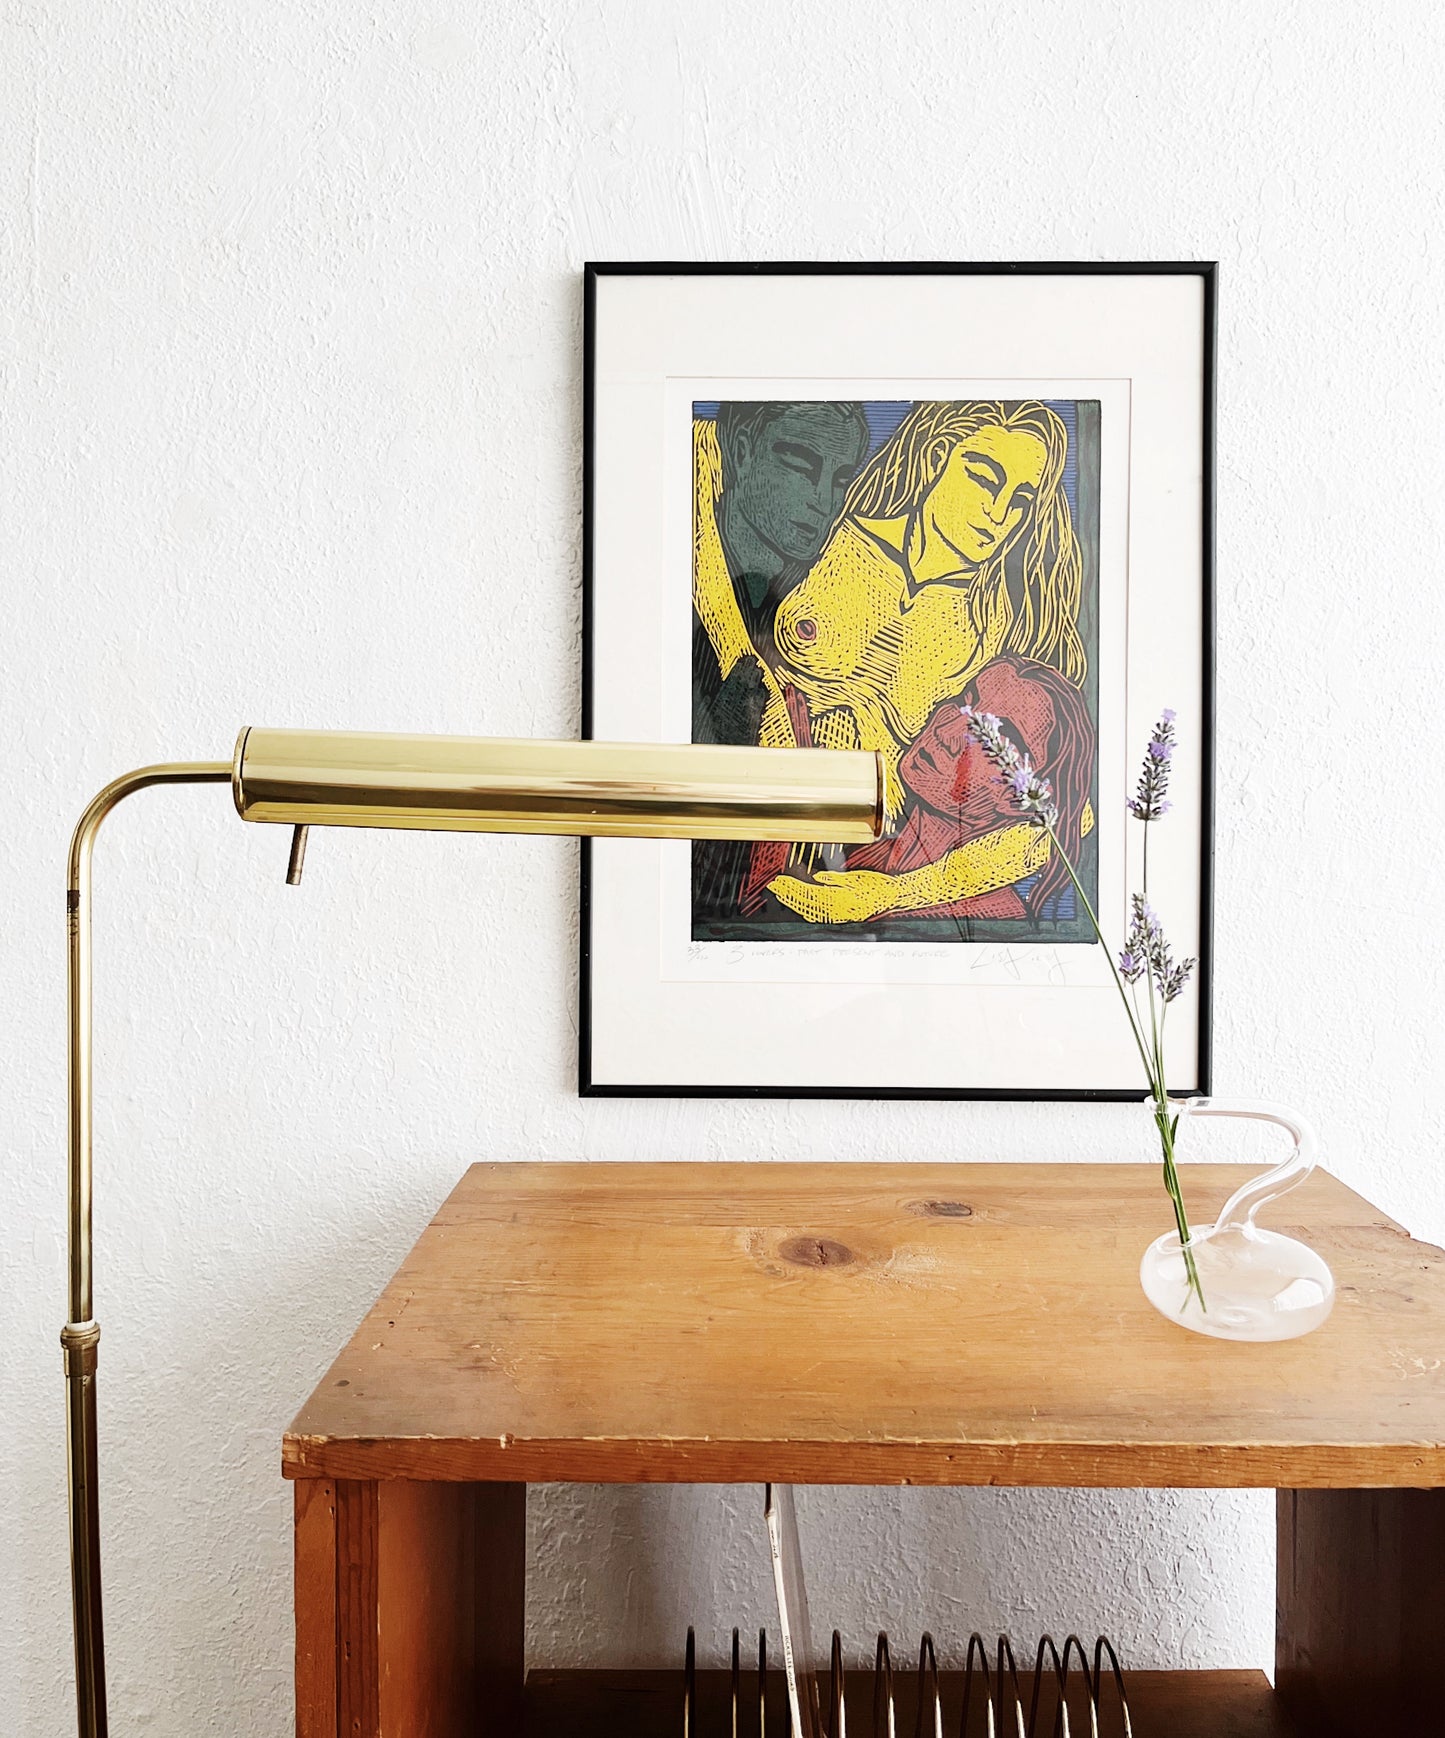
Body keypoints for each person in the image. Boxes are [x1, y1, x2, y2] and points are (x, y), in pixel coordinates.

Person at [692, 402, 868, 928]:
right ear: (742, 452)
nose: (824, 501)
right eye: (800, 464)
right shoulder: (687, 611)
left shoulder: (810, 614)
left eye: (840, 479)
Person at [767, 653, 1095, 926]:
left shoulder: (985, 917)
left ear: (1019, 796)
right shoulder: (869, 850)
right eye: (965, 700)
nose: (946, 730)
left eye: (994, 738)